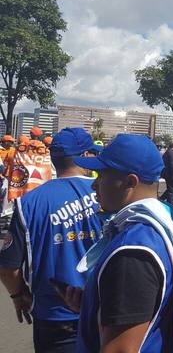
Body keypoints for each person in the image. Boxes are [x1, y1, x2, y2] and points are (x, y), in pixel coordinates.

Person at [66, 134, 173, 352]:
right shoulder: (169, 218)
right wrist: (95, 305)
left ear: (130, 182)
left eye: (101, 176)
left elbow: (121, 349)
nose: (94, 185)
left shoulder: (132, 250)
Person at [0, 128, 102, 353]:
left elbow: (8, 267)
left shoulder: (29, 203)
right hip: (104, 310)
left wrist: (19, 295)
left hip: (53, 315)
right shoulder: (106, 193)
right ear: (85, 156)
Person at [160, 139, 173, 204]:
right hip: (171, 175)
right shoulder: (171, 152)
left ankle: (161, 199)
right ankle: (170, 204)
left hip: (169, 174)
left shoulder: (170, 151)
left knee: (170, 189)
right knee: (172, 191)